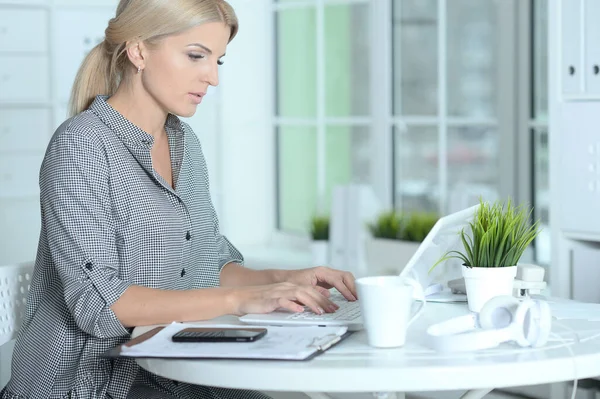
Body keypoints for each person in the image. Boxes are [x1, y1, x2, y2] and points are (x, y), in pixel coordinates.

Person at [0, 0, 357, 398]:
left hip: (171, 371)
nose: (212, 78)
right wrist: (243, 300)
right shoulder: (80, 146)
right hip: (90, 383)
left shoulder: (184, 143)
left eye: (217, 61)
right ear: (138, 51)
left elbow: (206, 266)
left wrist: (284, 280)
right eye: (195, 56)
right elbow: (101, 306)